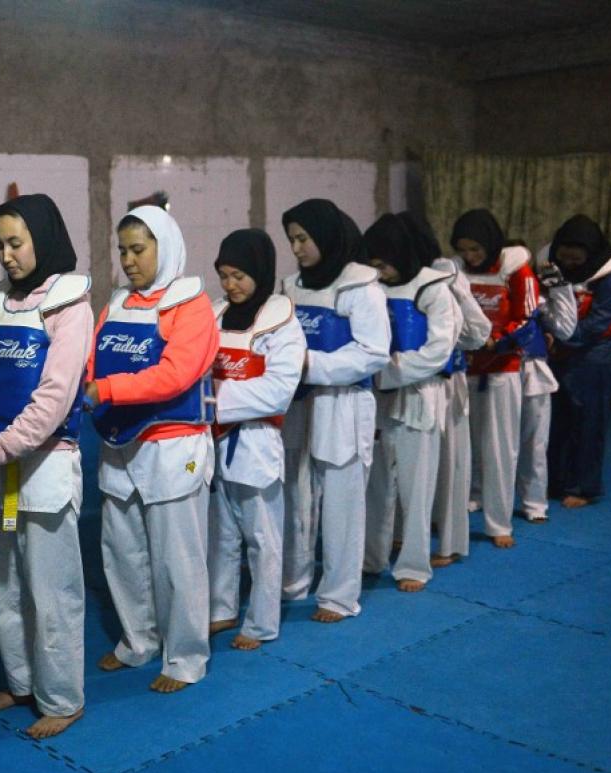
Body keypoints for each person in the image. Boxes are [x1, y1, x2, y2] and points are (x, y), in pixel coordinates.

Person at [0, 194, 92, 738]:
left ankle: (62, 698)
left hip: (44, 467)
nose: (6, 255)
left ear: (43, 239)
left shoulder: (71, 304)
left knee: (52, 590)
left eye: (15, 243)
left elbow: (54, 397)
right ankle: (20, 681)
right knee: (5, 584)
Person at [86, 205, 216, 692]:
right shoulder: (117, 302)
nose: (128, 261)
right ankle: (138, 640)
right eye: (122, 250)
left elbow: (175, 375)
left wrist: (106, 390)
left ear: (165, 246)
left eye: (138, 249)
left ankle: (185, 656)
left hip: (171, 446)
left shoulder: (191, 304)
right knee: (122, 552)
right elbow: (94, 360)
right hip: (118, 442)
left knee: (176, 559)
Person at [279, 199, 390, 622]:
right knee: (295, 494)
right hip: (297, 404)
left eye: (303, 238)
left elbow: (374, 352)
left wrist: (311, 365)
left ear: (325, 236)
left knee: (342, 501)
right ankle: (293, 579)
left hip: (343, 403)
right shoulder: (291, 286)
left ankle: (340, 595)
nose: (296, 248)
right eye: (291, 239)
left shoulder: (361, 287)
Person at [206, 229, 304, 648]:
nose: (230, 285)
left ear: (260, 272)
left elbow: (279, 391)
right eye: (224, 275)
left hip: (256, 442)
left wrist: (213, 400)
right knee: (221, 533)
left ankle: (262, 622)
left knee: (262, 538)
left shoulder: (282, 323)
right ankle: (221, 608)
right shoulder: (213, 315)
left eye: (239, 276)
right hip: (213, 440)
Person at [361, 214, 457, 592]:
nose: (379, 272)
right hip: (376, 395)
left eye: (384, 264)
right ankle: (372, 556)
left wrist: (388, 370)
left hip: (417, 394)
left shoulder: (433, 287)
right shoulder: (370, 287)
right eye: (373, 265)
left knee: (417, 486)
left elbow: (439, 350)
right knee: (376, 483)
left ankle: (415, 563)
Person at [398, 211, 492, 568]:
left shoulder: (444, 275)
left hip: (447, 380)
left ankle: (450, 543)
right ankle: (402, 533)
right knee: (404, 468)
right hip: (406, 383)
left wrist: (451, 337)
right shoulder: (391, 277)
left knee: (451, 462)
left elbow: (478, 332)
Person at [451, 209, 540, 548]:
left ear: (490, 244)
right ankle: (462, 504)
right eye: (463, 249)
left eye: (476, 249)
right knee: (462, 446)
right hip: (465, 368)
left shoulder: (516, 270)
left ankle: (499, 522)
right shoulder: (454, 270)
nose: (470, 256)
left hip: (503, 369)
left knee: (501, 447)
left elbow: (527, 318)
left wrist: (495, 342)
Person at [545, 215, 611, 508]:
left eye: (575, 259)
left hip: (596, 349)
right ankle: (554, 480)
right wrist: (549, 334)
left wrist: (565, 338)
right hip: (558, 344)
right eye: (564, 257)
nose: (568, 264)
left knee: (589, 418)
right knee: (557, 417)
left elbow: (601, 320)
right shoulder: (548, 264)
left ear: (589, 255)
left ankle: (583, 486)